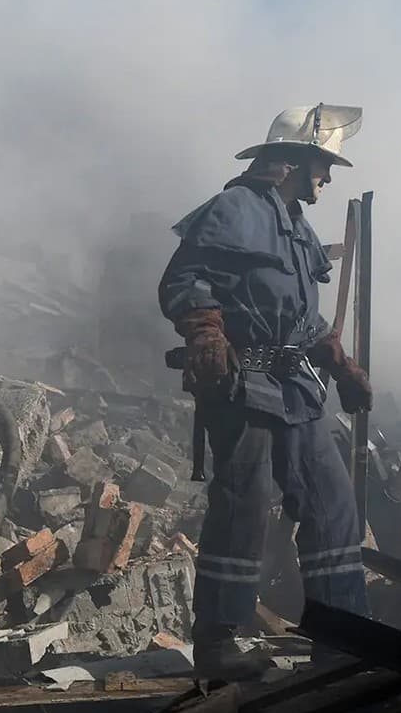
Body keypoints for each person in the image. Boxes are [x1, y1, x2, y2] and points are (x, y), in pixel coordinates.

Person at [158, 105, 375, 681]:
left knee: (333, 506)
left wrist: (341, 366)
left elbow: (302, 319)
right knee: (243, 506)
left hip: (298, 388)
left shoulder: (298, 229)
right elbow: (184, 279)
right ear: (292, 162)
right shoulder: (233, 209)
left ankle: (342, 637)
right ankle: (218, 642)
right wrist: (205, 330)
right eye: (322, 165)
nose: (326, 178)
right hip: (244, 384)